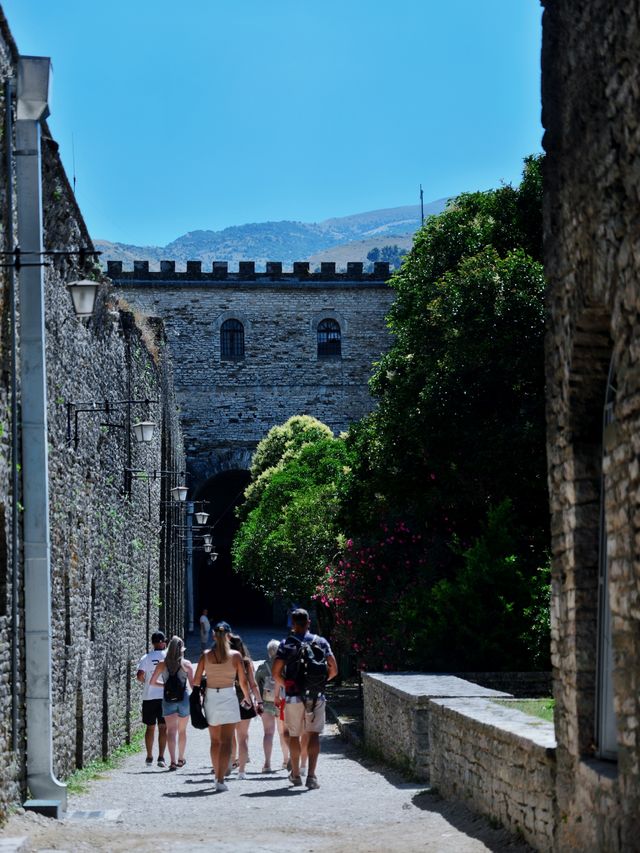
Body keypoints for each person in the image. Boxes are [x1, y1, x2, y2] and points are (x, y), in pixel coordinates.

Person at [272, 608, 338, 790]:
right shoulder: (321, 642)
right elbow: (334, 670)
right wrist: (320, 683)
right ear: (309, 622)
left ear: (292, 624)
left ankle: (295, 774)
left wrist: (288, 685)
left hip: (294, 696)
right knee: (314, 735)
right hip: (316, 695)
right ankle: (311, 776)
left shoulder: (286, 644)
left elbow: (275, 673)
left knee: (294, 735)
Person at [193, 621, 252, 792]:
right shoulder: (235, 656)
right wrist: (248, 698)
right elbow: (242, 681)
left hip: (211, 696)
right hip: (228, 696)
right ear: (228, 635)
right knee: (227, 741)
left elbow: (196, 681)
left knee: (214, 741)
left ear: (213, 635)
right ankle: (220, 779)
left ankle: (216, 775)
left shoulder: (205, 655)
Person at [150, 635, 194, 771]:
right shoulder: (186, 664)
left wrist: (166, 687)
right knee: (182, 731)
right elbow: (193, 685)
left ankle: (173, 762)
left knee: (171, 731)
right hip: (184, 699)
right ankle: (181, 758)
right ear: (181, 649)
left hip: (168, 699)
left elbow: (152, 682)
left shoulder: (162, 664)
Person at [228, 633, 262, 779]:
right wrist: (259, 701)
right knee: (242, 737)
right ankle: (242, 771)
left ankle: (231, 762)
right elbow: (253, 684)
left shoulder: (225, 661)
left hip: (228, 701)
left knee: (230, 736)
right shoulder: (246, 662)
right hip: (245, 701)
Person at [255, 639, 290, 772]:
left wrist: (258, 702)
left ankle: (267, 764)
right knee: (283, 733)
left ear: (269, 652)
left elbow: (257, 685)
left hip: (267, 703)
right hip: (282, 702)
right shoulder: (285, 666)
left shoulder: (263, 668)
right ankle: (286, 761)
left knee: (268, 733)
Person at [136, 630, 168, 768]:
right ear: (162, 642)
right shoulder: (167, 656)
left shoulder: (146, 657)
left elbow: (139, 675)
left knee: (150, 727)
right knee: (163, 727)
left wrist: (147, 682)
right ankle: (161, 757)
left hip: (149, 696)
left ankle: (149, 757)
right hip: (164, 697)